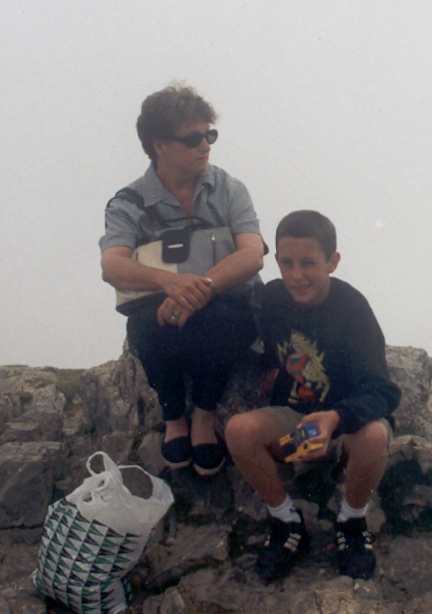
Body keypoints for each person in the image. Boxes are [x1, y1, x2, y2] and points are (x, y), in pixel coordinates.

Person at [225, 210, 400, 582]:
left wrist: (335, 419)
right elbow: (239, 336)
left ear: (333, 261)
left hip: (343, 430)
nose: (296, 275)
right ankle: (287, 522)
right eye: (286, 263)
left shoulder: (352, 308)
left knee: (374, 436)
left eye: (308, 263)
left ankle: (351, 523)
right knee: (239, 431)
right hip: (297, 428)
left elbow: (383, 391)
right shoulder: (269, 299)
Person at [99, 84, 265, 476]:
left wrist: (199, 287)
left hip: (223, 299)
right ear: (159, 145)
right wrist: (169, 283)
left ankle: (204, 414)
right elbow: (112, 265)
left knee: (226, 323)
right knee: (148, 326)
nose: (205, 145)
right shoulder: (129, 202)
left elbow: (252, 253)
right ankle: (175, 415)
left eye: (210, 135)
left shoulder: (229, 188)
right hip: (163, 300)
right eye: (193, 138)